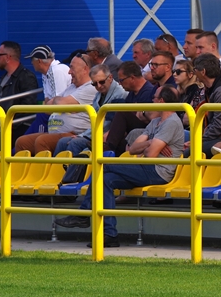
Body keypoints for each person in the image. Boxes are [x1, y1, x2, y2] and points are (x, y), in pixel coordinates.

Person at [56, 86, 186, 248]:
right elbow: (132, 149)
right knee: (105, 179)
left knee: (104, 164)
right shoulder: (155, 122)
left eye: (154, 98)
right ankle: (110, 235)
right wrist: (151, 142)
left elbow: (151, 155)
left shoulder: (172, 122)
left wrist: (149, 146)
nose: (151, 101)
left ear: (161, 101)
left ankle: (83, 214)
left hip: (158, 171)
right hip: (145, 167)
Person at [13, 54, 96, 155]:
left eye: (72, 68)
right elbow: (47, 109)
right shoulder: (72, 87)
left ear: (85, 69)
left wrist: (58, 102)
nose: (69, 72)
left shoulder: (91, 87)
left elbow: (59, 103)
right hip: (55, 132)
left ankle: (46, 166)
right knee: (22, 142)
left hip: (74, 134)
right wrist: (63, 105)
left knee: (42, 141)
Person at [103, 61, 157, 155]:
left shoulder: (149, 92)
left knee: (122, 112)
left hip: (147, 129)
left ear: (132, 78)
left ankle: (108, 146)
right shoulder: (132, 93)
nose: (120, 84)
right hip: (132, 130)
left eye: (121, 80)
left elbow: (147, 118)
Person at [0, 41, 41, 149]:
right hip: (2, 129)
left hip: (16, 130)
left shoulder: (26, 77)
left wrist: (10, 122)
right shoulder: (4, 78)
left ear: (8, 57)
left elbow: (28, 105)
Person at [193, 54, 221, 156]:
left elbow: (220, 125)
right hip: (215, 135)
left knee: (190, 152)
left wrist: (198, 140)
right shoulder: (212, 88)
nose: (194, 73)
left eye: (195, 69)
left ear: (203, 72)